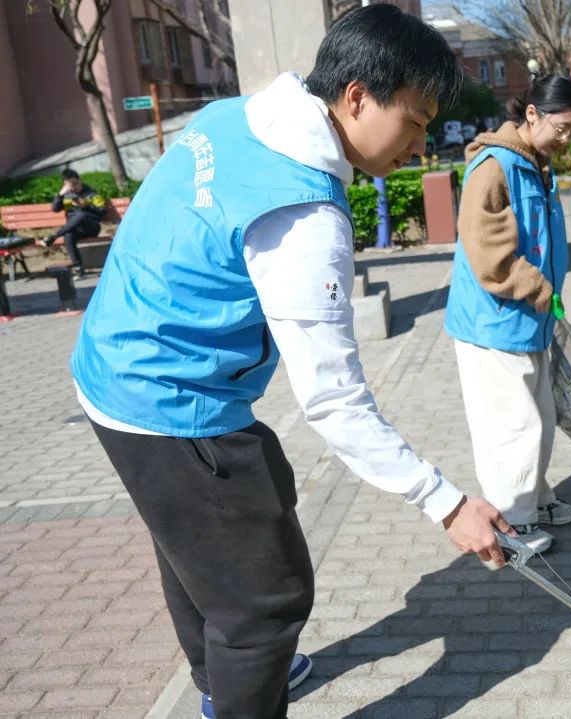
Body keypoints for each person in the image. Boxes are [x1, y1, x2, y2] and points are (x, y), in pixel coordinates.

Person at [69, 6, 512, 719]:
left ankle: (220, 681)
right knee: (265, 600)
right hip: (170, 400)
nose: (420, 146)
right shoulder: (304, 214)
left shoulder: (233, 117)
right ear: (357, 96)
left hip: (110, 364)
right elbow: (334, 403)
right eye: (415, 121)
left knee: (199, 548)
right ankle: (239, 690)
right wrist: (447, 502)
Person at [444, 74, 571, 553]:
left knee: (539, 418)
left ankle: (535, 500)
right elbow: (489, 252)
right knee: (513, 427)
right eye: (563, 128)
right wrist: (537, 286)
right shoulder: (494, 166)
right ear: (532, 114)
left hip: (529, 319)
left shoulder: (535, 163)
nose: (567, 139)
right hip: (494, 322)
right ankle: (512, 524)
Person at [40, 168, 107, 278]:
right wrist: (60, 194)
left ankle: (53, 237)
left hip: (91, 227)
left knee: (82, 214)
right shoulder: (66, 196)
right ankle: (78, 269)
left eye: (75, 184)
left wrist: (85, 206)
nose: (74, 187)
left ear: (80, 180)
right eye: (70, 185)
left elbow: (102, 211)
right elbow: (55, 209)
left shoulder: (91, 193)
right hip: (76, 229)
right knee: (68, 236)